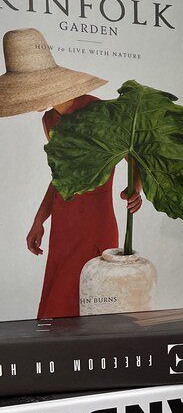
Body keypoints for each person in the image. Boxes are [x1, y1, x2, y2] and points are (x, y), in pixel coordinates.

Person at [26, 93, 142, 318]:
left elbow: (136, 160)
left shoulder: (98, 110)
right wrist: (39, 220)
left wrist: (135, 188)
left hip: (96, 224)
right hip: (63, 227)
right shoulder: (48, 120)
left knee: (93, 303)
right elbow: (61, 177)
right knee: (59, 307)